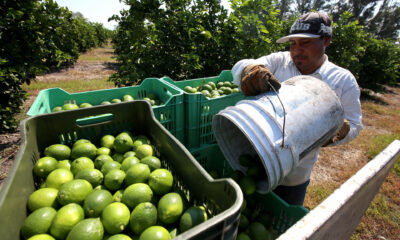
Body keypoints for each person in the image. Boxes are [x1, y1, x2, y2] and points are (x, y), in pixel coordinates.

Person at [231, 11, 363, 205]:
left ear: (325, 41)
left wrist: (337, 132)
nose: (296, 50)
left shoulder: (342, 80)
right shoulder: (280, 61)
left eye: (305, 43)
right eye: (293, 43)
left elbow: (355, 126)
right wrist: (249, 71)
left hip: (294, 174)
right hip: (254, 158)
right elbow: (241, 66)